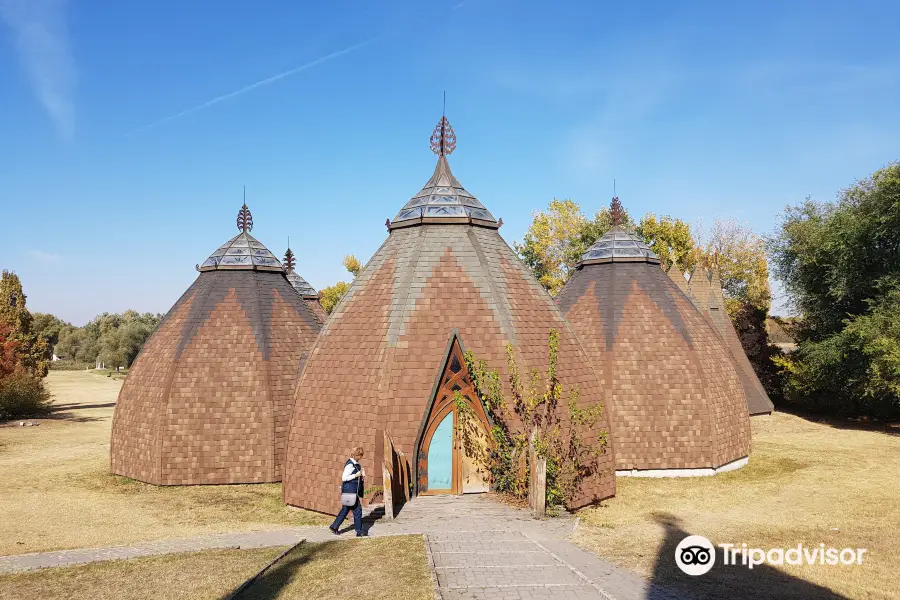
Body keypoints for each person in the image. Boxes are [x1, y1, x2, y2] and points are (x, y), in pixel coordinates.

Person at [330, 446, 367, 537]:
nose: (361, 457)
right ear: (356, 455)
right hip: (350, 491)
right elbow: (344, 478)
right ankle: (359, 531)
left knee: (345, 509)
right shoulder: (350, 465)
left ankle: (334, 526)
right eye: (360, 455)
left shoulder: (355, 463)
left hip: (351, 490)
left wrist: (361, 476)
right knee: (357, 510)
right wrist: (356, 475)